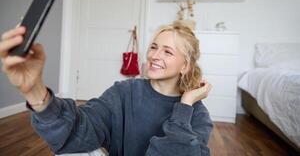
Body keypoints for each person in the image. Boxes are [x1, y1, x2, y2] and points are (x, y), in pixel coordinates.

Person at [0, 22, 213, 156]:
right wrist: (35, 91)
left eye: (168, 52)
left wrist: (184, 105)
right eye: (154, 47)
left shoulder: (198, 114)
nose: (155, 56)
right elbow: (79, 130)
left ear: (185, 65)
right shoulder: (125, 91)